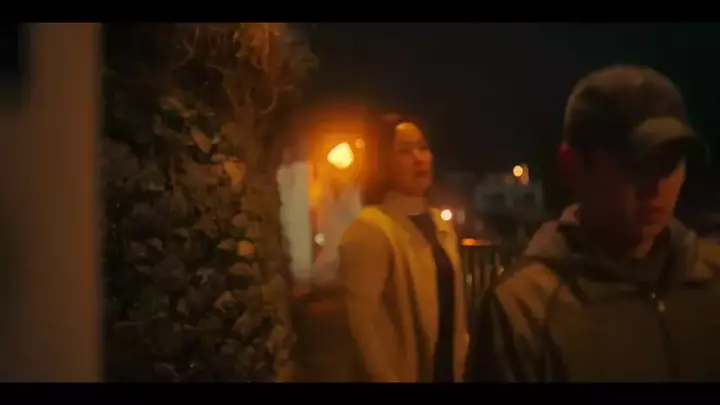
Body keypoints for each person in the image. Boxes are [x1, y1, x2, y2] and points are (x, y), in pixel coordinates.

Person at [465, 65, 720, 382]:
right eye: (636, 162)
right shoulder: (525, 309)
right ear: (572, 166)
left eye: (670, 163)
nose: (656, 185)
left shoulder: (711, 279)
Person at [337, 113, 468, 382]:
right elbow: (361, 329)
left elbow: (455, 315)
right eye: (405, 151)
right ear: (382, 162)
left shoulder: (441, 226)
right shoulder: (371, 228)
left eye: (423, 147)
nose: (419, 158)